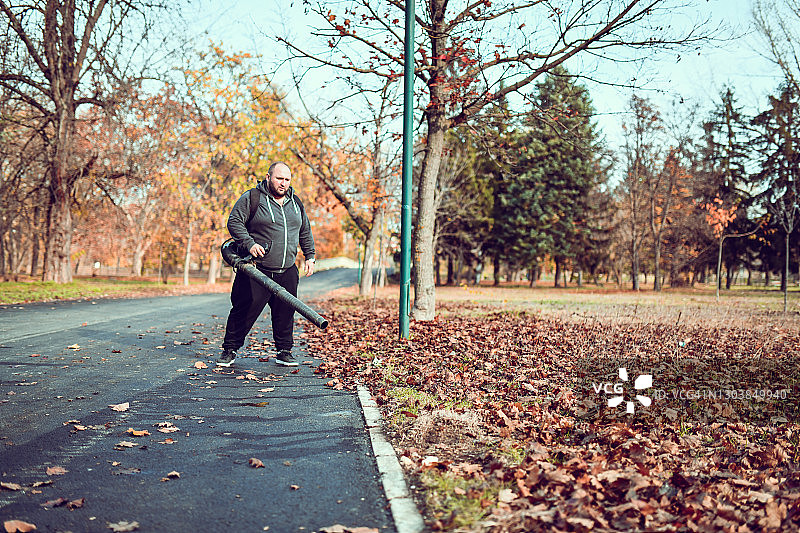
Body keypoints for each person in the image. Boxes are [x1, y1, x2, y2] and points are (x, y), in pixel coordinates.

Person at [217, 161, 316, 368]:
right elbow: (234, 222)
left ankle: (284, 351)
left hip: (287, 269)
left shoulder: (295, 202)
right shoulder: (252, 198)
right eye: (279, 178)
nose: (283, 183)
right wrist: (249, 244)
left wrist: (310, 255)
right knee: (244, 309)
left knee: (286, 311)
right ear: (269, 177)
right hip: (256, 269)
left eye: (287, 179)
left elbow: (304, 230)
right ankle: (229, 350)